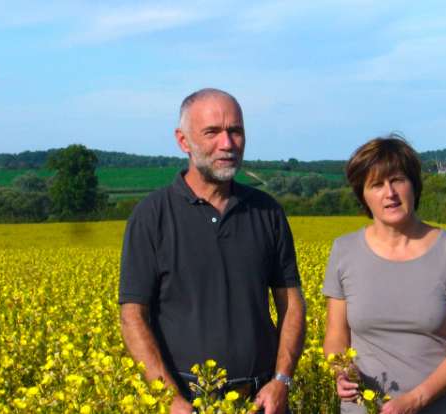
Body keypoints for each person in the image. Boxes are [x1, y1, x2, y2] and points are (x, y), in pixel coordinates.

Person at [119, 88, 306, 414]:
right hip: (185, 403)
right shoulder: (152, 216)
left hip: (262, 401)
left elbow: (291, 305)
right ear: (183, 141)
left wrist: (282, 381)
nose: (228, 144)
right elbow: (132, 316)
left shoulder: (267, 212)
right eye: (212, 132)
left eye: (236, 131)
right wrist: (169, 399)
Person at [322, 135, 446, 414]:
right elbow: (336, 335)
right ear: (363, 195)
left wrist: (416, 400)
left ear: (414, 186)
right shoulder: (343, 250)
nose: (390, 193)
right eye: (376, 184)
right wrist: (340, 370)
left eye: (397, 180)